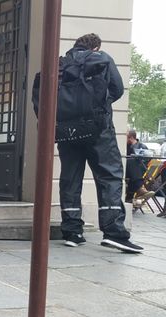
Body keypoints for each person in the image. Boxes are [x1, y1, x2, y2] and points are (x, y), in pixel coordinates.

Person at [57, 34, 144, 253]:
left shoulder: (62, 64)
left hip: (67, 131)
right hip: (98, 129)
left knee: (70, 178)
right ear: (96, 47)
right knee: (109, 175)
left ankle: (72, 231)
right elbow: (116, 89)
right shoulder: (100, 58)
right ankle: (114, 232)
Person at [125, 130, 155, 206]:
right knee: (132, 165)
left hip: (139, 172)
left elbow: (146, 161)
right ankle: (138, 190)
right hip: (131, 173)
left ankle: (130, 197)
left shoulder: (142, 147)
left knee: (133, 162)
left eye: (125, 137)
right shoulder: (125, 146)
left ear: (130, 138)